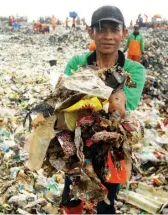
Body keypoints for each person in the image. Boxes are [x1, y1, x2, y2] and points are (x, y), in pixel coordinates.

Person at [62, 5, 146, 214]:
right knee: (71, 198)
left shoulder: (133, 70)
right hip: (77, 144)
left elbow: (121, 109)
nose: (108, 36)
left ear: (124, 34)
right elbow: (64, 100)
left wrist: (89, 97)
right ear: (91, 32)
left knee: (106, 203)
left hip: (112, 147)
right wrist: (109, 97)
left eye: (114, 30)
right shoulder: (78, 63)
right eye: (101, 29)